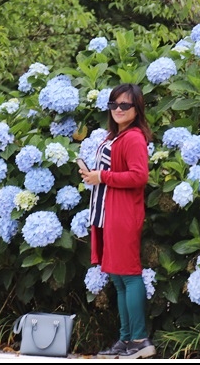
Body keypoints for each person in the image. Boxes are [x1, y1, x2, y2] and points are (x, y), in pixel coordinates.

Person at [79, 83, 156, 359]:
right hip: (107, 213)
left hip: (123, 215)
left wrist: (103, 177)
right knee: (118, 278)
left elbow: (139, 176)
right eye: (114, 105)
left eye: (125, 105)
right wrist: (93, 176)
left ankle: (139, 340)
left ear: (137, 109)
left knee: (129, 275)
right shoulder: (115, 137)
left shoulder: (134, 138)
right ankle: (125, 341)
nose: (119, 110)